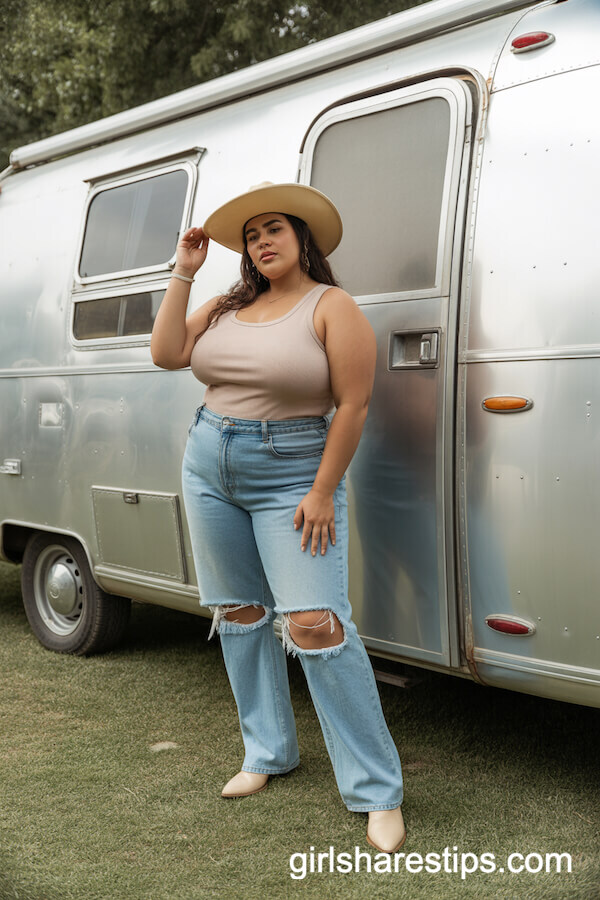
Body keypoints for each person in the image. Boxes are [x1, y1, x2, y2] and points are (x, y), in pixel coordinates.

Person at [150, 182, 405, 853]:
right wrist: (184, 269)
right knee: (238, 612)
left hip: (294, 472)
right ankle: (268, 751)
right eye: (253, 235)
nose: (263, 242)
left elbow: (352, 406)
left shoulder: (332, 306)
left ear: (302, 241)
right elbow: (167, 353)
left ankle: (377, 792)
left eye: (275, 231)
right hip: (209, 466)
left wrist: (323, 490)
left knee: (315, 625)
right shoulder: (227, 306)